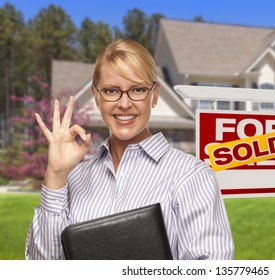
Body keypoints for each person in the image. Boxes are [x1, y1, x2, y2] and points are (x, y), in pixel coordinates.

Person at [25, 38, 234, 260]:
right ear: (97, 97)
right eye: (111, 91)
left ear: (154, 95)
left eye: (137, 89)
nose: (124, 104)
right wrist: (56, 176)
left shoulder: (191, 175)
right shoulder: (75, 179)